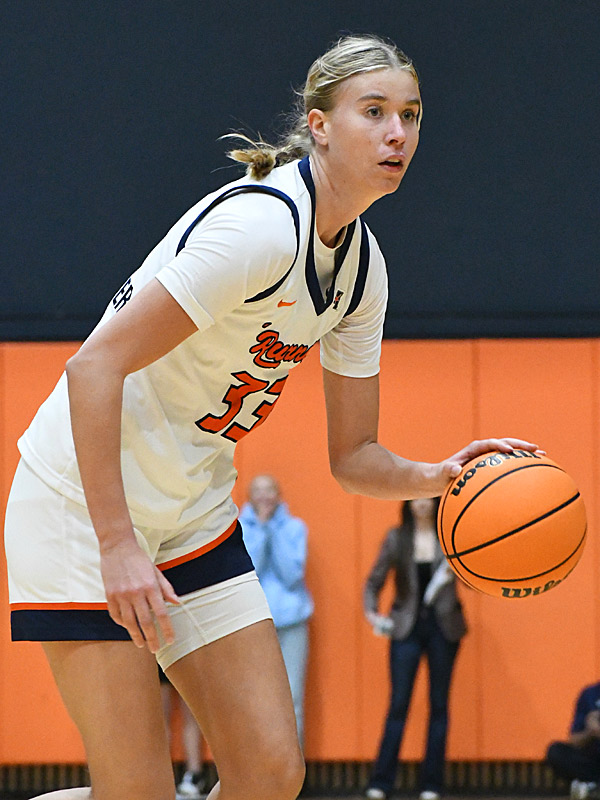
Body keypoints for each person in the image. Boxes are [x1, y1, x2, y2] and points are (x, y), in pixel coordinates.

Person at [3, 31, 541, 800]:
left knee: (270, 773)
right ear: (319, 124)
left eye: (411, 115)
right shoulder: (261, 227)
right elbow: (92, 369)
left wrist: (442, 475)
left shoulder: (362, 271)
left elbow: (353, 455)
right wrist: (119, 547)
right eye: (375, 111)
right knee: (138, 792)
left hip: (190, 512)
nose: (398, 133)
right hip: (83, 510)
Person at [364, 498, 467, 800]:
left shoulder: (450, 538)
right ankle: (381, 782)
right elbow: (374, 581)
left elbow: (473, 580)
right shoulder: (397, 537)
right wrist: (372, 613)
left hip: (443, 628)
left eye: (427, 498)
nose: (421, 503)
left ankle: (432, 784)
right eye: (416, 497)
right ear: (408, 502)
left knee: (439, 706)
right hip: (406, 628)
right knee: (398, 704)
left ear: (436, 502)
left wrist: (459, 568)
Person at [239, 474, 313, 746]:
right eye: (257, 491)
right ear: (249, 496)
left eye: (269, 490)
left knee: (292, 697)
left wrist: (273, 531)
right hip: (254, 622)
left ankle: (293, 777)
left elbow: (292, 574)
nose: (264, 496)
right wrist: (259, 530)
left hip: (292, 623)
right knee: (255, 699)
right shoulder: (239, 529)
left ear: (278, 494)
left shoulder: (294, 528)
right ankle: (261, 777)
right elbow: (250, 571)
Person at [158, 665, 207, 799]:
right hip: (157, 652)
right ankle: (163, 777)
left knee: (191, 717)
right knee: (161, 721)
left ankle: (194, 775)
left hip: (182, 649)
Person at [546, 681, 600, 800]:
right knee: (556, 751)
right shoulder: (589, 694)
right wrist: (590, 731)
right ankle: (594, 787)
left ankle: (591, 788)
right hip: (593, 760)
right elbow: (574, 740)